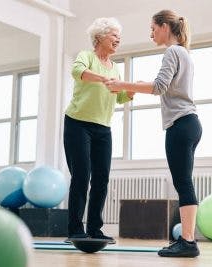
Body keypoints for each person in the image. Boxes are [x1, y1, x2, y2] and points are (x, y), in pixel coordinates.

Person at [105, 10, 202, 257]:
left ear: (165, 27)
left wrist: (123, 85)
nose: (151, 34)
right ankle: (188, 240)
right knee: (184, 182)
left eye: (153, 29)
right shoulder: (184, 53)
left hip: (180, 124)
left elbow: (159, 87)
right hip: (189, 123)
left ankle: (188, 242)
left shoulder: (172, 51)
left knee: (183, 183)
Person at [64, 17, 134, 241]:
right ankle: (75, 229)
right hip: (78, 124)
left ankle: (95, 228)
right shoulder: (87, 56)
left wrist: (130, 92)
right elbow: (78, 72)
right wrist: (104, 79)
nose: (118, 39)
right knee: (81, 176)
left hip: (103, 129)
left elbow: (119, 96)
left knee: (101, 179)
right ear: (100, 37)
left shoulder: (116, 68)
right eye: (114, 35)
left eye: (118, 36)